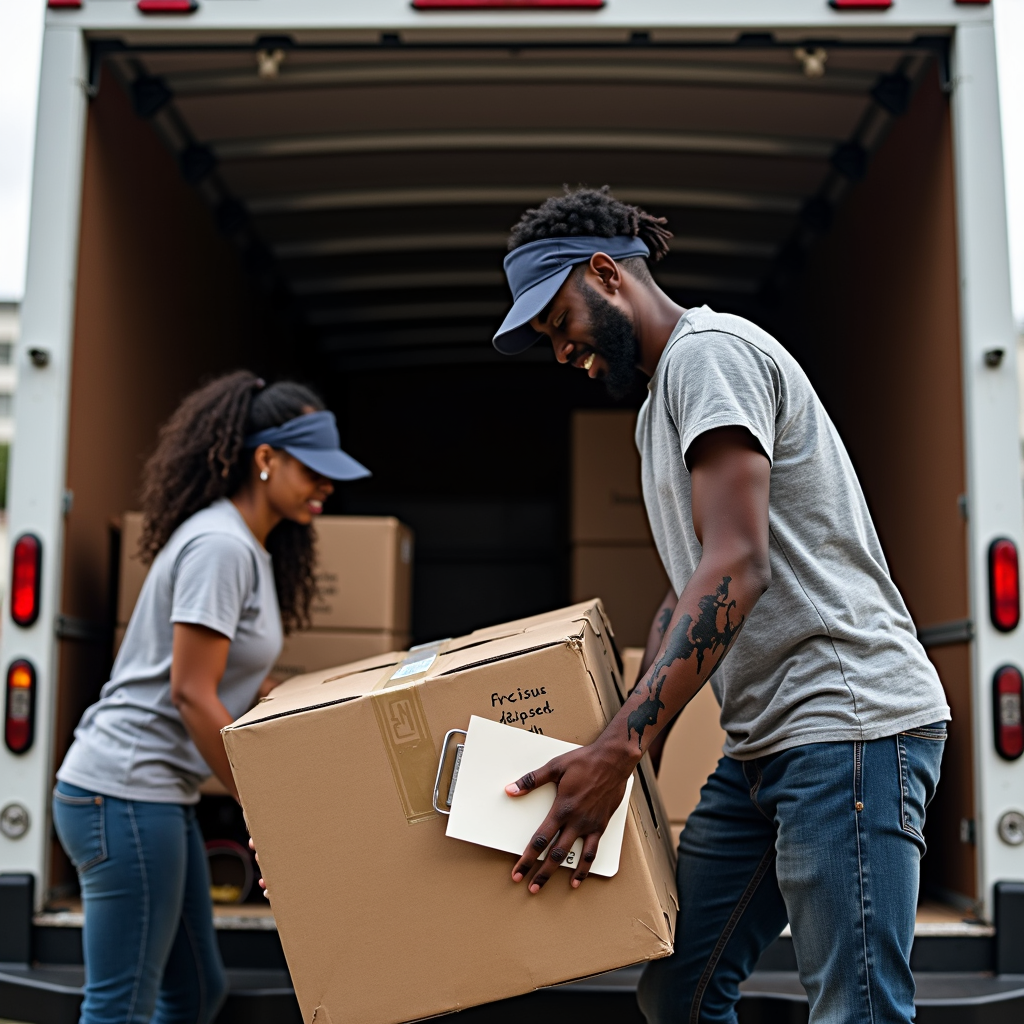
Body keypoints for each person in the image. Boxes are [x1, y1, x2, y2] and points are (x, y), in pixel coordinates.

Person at [491, 188, 950, 1024]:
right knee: (678, 991)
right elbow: (686, 589)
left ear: (605, 274)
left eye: (561, 323)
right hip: (763, 747)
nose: (561, 352)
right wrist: (627, 754)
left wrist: (621, 750)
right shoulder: (658, 407)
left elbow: (739, 568)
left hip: (846, 727)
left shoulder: (712, 355)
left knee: (859, 1010)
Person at [52, 372, 370, 1024]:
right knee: (120, 1009)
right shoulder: (220, 547)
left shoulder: (244, 546)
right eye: (313, 471)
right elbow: (192, 693)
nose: (326, 487)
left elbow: (228, 678)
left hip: (151, 798)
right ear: (265, 459)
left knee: (196, 993)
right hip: (125, 793)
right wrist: (265, 808)